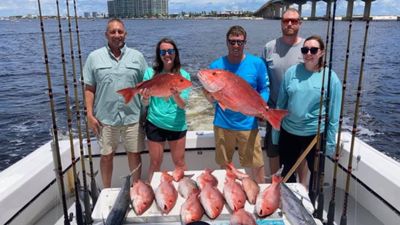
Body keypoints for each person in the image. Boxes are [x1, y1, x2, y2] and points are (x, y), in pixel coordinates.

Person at [83, 18, 148, 188]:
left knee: (134, 154)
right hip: (105, 117)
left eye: (120, 31)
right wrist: (89, 114)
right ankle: (106, 190)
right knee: (106, 156)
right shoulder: (94, 57)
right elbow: (89, 88)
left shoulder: (138, 57)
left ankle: (137, 189)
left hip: (133, 116)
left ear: (125, 34)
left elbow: (146, 84)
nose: (116, 35)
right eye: (113, 32)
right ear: (106, 35)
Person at [272, 35, 342, 191]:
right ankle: (291, 208)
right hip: (288, 133)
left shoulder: (331, 78)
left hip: (315, 136)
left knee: (316, 176)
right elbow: (280, 105)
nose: (308, 53)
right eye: (305, 49)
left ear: (322, 52)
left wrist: (330, 144)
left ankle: (313, 206)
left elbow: (333, 116)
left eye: (313, 50)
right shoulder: (291, 73)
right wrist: (276, 135)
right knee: (287, 174)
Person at [203, 25, 269, 183]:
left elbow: (264, 88)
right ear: (227, 42)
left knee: (256, 164)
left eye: (240, 42)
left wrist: (262, 106)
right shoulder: (216, 67)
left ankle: (259, 195)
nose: (236, 46)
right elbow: (212, 98)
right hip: (223, 124)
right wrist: (209, 95)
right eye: (232, 42)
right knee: (225, 165)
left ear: (245, 42)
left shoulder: (257, 63)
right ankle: (231, 194)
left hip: (248, 124)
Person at [261, 8, 307, 183]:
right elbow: (262, 81)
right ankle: (275, 188)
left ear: (300, 23)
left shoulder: (307, 48)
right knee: (273, 151)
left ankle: (301, 189)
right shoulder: (269, 48)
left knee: (300, 154)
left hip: (298, 114)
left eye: (294, 21)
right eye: (286, 20)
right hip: (274, 111)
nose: (289, 24)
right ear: (281, 22)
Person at [140, 38, 191, 182]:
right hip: (155, 123)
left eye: (170, 51)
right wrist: (144, 97)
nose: (167, 54)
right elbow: (145, 103)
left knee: (180, 164)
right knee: (155, 163)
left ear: (175, 53)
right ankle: (152, 194)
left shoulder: (184, 76)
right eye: (163, 51)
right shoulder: (150, 73)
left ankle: (186, 195)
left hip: (177, 125)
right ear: (159, 54)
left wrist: (175, 94)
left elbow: (182, 105)